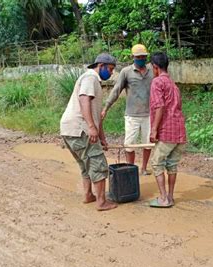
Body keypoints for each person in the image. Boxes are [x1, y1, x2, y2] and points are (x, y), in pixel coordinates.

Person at [60, 53, 117, 211]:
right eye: (110, 69)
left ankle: (88, 195)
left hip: (70, 129)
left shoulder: (91, 80)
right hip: (81, 128)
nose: (111, 73)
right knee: (98, 163)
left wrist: (102, 137)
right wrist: (91, 127)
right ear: (101, 66)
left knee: (86, 164)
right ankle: (101, 202)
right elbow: (84, 99)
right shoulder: (90, 78)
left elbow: (96, 114)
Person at [101, 44, 153, 175]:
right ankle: (131, 169)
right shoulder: (126, 72)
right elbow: (116, 91)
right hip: (132, 115)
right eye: (138, 57)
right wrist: (106, 107)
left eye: (143, 57)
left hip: (149, 114)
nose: (141, 59)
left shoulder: (152, 71)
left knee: (148, 144)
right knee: (129, 145)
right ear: (133, 57)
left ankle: (144, 168)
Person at [148, 52, 187, 208]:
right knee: (172, 164)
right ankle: (170, 197)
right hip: (180, 131)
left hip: (167, 131)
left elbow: (160, 106)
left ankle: (163, 199)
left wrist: (154, 130)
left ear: (155, 67)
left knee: (157, 163)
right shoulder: (173, 84)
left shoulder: (157, 82)